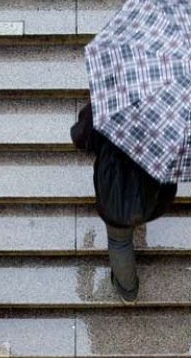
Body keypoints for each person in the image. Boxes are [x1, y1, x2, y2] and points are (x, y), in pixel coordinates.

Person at [71, 102, 177, 302]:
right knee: (133, 217)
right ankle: (139, 218)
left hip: (115, 190)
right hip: (152, 188)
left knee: (119, 241)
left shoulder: (110, 102)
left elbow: (81, 137)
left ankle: (128, 291)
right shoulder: (170, 109)